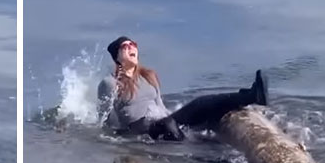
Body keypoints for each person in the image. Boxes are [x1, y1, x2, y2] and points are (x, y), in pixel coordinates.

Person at [98, 35, 268, 141]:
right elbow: (104, 120)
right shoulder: (110, 83)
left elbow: (160, 106)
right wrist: (122, 139)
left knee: (201, 103)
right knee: (168, 124)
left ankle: (251, 96)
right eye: (125, 47)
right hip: (144, 130)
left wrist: (175, 118)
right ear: (117, 57)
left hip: (164, 121)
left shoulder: (148, 76)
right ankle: (193, 151)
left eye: (133, 44)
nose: (131, 47)